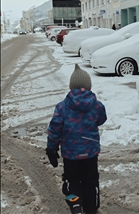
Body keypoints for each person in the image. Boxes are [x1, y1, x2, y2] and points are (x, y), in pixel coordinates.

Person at [46, 64, 107, 214]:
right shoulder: (97, 106)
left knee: (71, 181)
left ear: (71, 86)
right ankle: (91, 208)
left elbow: (55, 129)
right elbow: (101, 120)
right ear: (89, 85)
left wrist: (51, 148)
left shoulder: (62, 107)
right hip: (90, 154)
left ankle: (75, 206)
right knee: (91, 181)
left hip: (70, 155)